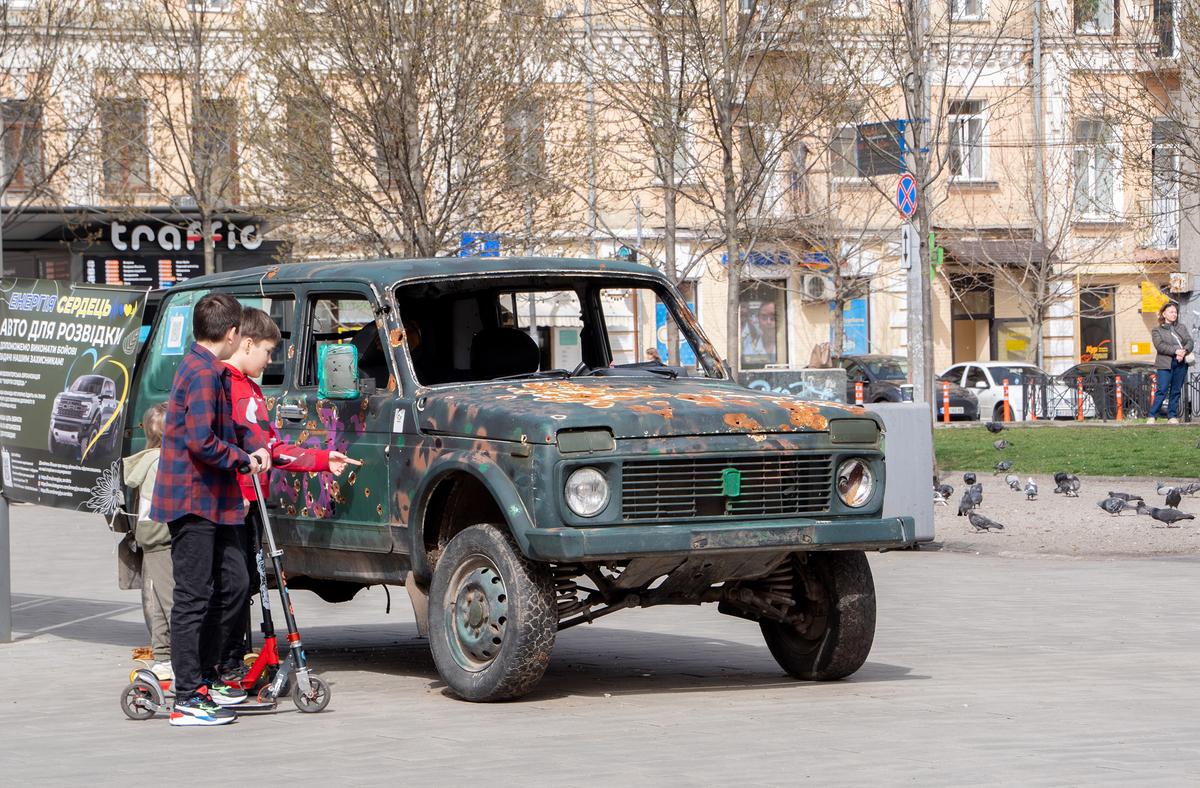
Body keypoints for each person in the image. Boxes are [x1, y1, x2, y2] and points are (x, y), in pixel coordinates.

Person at [149, 292, 271, 727]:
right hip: (192, 499)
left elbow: (228, 425)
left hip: (215, 501)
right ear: (233, 333)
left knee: (235, 584)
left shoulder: (211, 370)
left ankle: (209, 676)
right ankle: (188, 695)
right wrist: (243, 459)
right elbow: (202, 442)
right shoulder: (201, 373)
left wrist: (255, 442)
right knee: (194, 597)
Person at [217, 307, 354, 684]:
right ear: (246, 344)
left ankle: (234, 660)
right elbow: (225, 450)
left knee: (244, 580)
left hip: (253, 504)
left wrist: (324, 459)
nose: (271, 358)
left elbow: (271, 449)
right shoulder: (224, 386)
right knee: (233, 584)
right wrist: (240, 493)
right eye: (268, 350)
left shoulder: (252, 389)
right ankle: (222, 663)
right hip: (235, 504)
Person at [123, 402, 173, 682]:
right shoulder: (160, 463)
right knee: (173, 602)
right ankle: (171, 658)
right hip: (162, 538)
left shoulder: (152, 459)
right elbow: (161, 507)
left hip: (154, 538)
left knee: (162, 599)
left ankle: (163, 656)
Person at [1148, 301, 1193, 424]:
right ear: (1164, 314)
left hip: (1180, 362)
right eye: (1171, 312)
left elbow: (1189, 341)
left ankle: (1172, 416)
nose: (1174, 314)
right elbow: (1160, 346)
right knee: (1162, 389)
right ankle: (1152, 416)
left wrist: (1183, 351)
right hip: (1165, 363)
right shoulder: (1157, 330)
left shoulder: (1181, 328)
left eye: (1175, 312)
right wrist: (1175, 351)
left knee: (1176, 390)